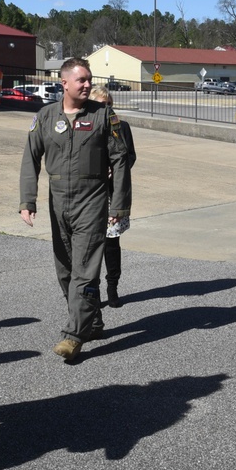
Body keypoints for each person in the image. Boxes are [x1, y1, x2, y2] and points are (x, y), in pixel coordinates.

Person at [19, 58, 131, 361]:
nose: (86, 85)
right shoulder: (45, 117)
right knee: (65, 269)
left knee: (84, 269)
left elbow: (121, 161)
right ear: (64, 83)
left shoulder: (104, 116)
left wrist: (118, 204)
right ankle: (92, 322)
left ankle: (72, 334)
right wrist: (27, 201)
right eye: (81, 80)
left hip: (92, 201)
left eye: (89, 79)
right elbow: (30, 158)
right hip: (58, 202)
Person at [88, 84, 137, 308]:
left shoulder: (122, 127)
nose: (105, 108)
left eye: (108, 104)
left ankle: (112, 287)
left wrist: (116, 169)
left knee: (111, 243)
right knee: (91, 245)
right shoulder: (85, 126)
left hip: (113, 193)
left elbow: (130, 156)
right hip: (91, 194)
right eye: (100, 104)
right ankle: (93, 290)